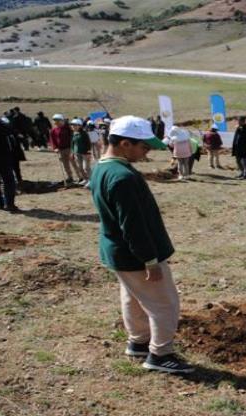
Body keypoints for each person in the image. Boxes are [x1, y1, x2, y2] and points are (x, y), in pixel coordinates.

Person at [89, 115, 193, 374]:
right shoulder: (122, 177)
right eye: (144, 147)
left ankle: (139, 342)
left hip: (118, 253)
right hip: (136, 255)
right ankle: (160, 354)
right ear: (125, 143)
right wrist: (150, 260)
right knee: (164, 303)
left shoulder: (102, 167)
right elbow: (133, 225)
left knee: (133, 297)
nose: (146, 153)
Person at [49, 114, 78, 184]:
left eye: (58, 121)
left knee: (74, 163)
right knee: (65, 164)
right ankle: (70, 177)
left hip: (69, 148)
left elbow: (72, 138)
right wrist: (55, 148)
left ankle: (80, 177)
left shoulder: (68, 128)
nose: (56, 122)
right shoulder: (53, 130)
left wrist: (73, 148)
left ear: (62, 121)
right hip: (60, 150)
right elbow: (52, 140)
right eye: (55, 121)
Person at [70, 118, 92, 187]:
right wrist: (72, 152)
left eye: (75, 125)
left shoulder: (84, 133)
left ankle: (91, 180)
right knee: (80, 167)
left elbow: (88, 143)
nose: (73, 127)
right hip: (77, 153)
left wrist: (88, 152)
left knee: (86, 167)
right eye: (72, 125)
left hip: (85, 153)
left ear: (80, 125)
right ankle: (85, 179)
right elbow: (73, 144)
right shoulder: (74, 133)